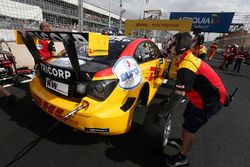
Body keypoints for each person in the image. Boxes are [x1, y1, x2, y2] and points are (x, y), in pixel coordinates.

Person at [163, 32, 227, 167]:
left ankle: (182, 157)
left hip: (209, 102)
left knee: (189, 129)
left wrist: (164, 111)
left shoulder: (187, 66)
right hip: (199, 97)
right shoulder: (185, 58)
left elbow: (179, 94)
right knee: (186, 117)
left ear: (179, 47)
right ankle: (182, 141)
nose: (168, 44)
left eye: (172, 42)